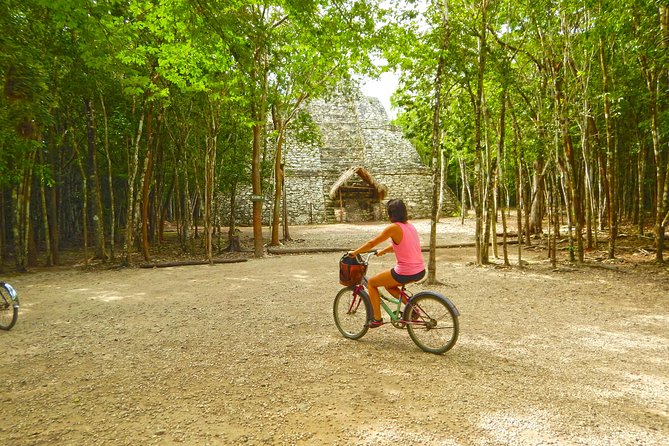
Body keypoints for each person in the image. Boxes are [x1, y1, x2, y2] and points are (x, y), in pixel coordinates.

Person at [348, 198, 426, 328]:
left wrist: (355, 252)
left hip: (405, 272)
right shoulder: (410, 226)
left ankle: (377, 319)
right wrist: (383, 251)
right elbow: (400, 245)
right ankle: (413, 309)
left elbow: (372, 243)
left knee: (372, 283)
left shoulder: (393, 228)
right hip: (420, 271)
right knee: (389, 285)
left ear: (390, 213)